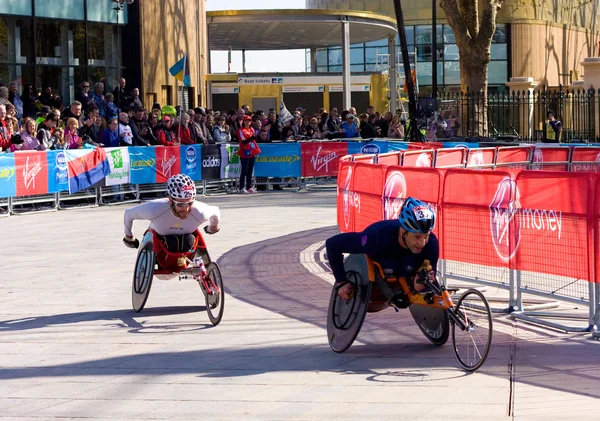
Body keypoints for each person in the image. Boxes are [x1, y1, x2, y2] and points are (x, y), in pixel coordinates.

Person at [325, 198, 438, 302]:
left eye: (426, 236)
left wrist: (423, 281)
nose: (422, 243)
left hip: (405, 266)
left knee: (415, 269)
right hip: (380, 264)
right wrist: (341, 282)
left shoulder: (431, 243)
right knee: (391, 264)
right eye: (417, 237)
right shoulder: (375, 237)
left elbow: (429, 276)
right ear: (403, 232)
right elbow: (332, 244)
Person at [123, 174, 220, 253]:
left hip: (187, 244)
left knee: (189, 240)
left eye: (190, 203)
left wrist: (213, 228)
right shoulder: (155, 208)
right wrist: (129, 237)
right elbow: (129, 214)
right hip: (159, 244)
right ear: (170, 200)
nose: (185, 209)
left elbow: (215, 211)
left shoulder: (200, 211)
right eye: (180, 204)